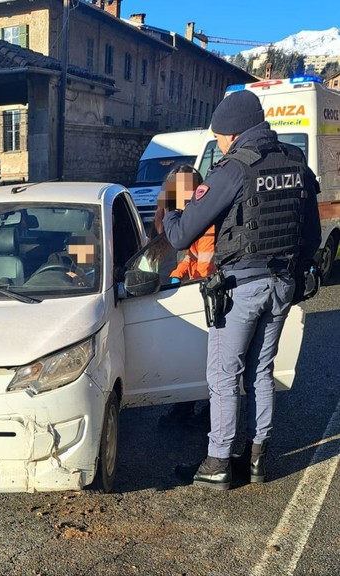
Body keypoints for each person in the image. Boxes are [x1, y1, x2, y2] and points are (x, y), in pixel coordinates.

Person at [162, 89, 322, 490]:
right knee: (261, 371)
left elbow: (183, 235)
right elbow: (312, 232)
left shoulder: (235, 168)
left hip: (242, 285)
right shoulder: (295, 162)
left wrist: (170, 213)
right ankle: (256, 458)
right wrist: (298, 273)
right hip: (284, 283)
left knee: (223, 374)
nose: (217, 143)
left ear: (232, 133)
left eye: (218, 137)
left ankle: (218, 462)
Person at [154, 164, 214, 429]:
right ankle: (187, 406)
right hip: (196, 290)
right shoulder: (184, 217)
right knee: (192, 354)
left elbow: (206, 263)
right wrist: (179, 273)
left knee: (209, 357)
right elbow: (191, 257)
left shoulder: (205, 220)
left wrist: (192, 283)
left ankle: (212, 412)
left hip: (210, 295)